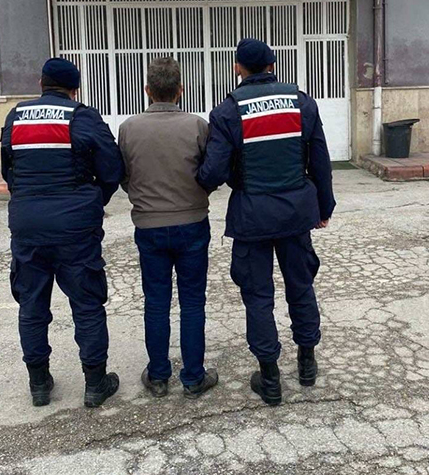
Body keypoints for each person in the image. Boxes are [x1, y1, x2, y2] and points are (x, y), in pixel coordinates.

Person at [197, 38, 336, 406]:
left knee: (258, 296)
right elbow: (320, 160)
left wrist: (205, 181)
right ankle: (306, 364)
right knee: (301, 286)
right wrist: (324, 207)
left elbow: (213, 171)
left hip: (252, 216)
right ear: (273, 65)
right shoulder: (301, 102)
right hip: (296, 214)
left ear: (237, 68)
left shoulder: (228, 110)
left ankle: (270, 378)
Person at [0, 58, 124, 408]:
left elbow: (8, 171)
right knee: (87, 303)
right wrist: (92, 200)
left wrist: (28, 200)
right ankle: (95, 384)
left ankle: (39, 384)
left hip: (28, 226)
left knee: (32, 305)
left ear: (41, 84)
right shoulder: (82, 116)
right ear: (74, 90)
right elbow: (112, 169)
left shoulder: (16, 116)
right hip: (76, 227)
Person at [118, 57, 218, 400]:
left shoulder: (129, 128)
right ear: (180, 90)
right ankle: (193, 377)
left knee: (156, 301)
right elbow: (210, 172)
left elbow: (124, 176)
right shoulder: (197, 126)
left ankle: (159, 376)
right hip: (192, 223)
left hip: (149, 225)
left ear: (147, 90)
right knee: (192, 302)